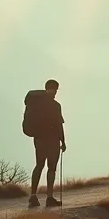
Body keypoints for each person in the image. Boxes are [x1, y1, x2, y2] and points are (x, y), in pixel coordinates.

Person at [28, 79, 66, 208]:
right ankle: (49, 198)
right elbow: (59, 125)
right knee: (51, 168)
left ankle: (33, 196)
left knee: (39, 165)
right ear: (54, 89)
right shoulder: (55, 105)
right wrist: (63, 141)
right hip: (52, 139)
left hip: (38, 139)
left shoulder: (36, 105)